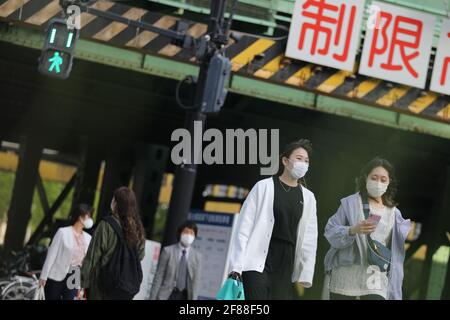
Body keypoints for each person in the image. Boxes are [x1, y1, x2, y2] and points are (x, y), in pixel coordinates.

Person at [228, 139, 318, 300]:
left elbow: (310, 238)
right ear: (285, 160)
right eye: (299, 158)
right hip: (257, 260)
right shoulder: (263, 187)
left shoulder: (308, 197)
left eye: (306, 161)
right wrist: (237, 265)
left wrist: (306, 272)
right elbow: (243, 228)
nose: (303, 164)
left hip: (286, 264)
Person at [324, 157, 411, 300]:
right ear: (366, 178)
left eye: (383, 180)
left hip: (375, 276)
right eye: (374, 178)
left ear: (389, 183)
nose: (378, 183)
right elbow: (330, 231)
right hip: (346, 274)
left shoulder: (394, 214)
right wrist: (352, 230)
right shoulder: (350, 203)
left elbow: (396, 253)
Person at [81, 187, 145, 300]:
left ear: (116, 203)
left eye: (113, 199)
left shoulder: (106, 225)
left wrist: (79, 284)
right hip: (125, 288)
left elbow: (91, 258)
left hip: (102, 286)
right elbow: (140, 255)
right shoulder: (138, 228)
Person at [39, 204, 93, 300]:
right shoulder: (63, 232)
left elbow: (87, 261)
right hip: (56, 274)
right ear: (80, 217)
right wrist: (43, 276)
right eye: (88, 216)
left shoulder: (88, 238)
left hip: (75, 274)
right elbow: (51, 255)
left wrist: (82, 284)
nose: (90, 219)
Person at [150, 221, 202, 300]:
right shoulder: (167, 251)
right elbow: (159, 276)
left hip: (185, 296)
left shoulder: (197, 257)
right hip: (167, 295)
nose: (188, 235)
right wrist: (152, 298)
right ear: (180, 233)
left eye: (192, 233)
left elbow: (196, 281)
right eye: (186, 232)